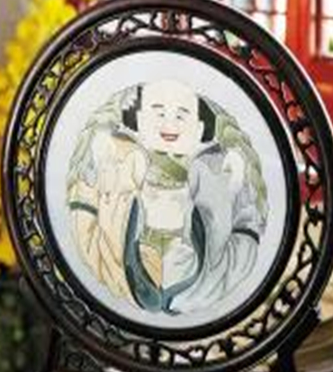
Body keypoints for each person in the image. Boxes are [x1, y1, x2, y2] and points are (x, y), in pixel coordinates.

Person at [67, 80, 268, 314]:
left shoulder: (219, 176)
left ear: (199, 130)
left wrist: (241, 175)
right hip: (124, 294)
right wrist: (94, 160)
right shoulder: (117, 164)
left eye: (181, 116)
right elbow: (84, 225)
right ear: (140, 122)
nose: (169, 124)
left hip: (198, 294)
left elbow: (244, 244)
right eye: (159, 113)